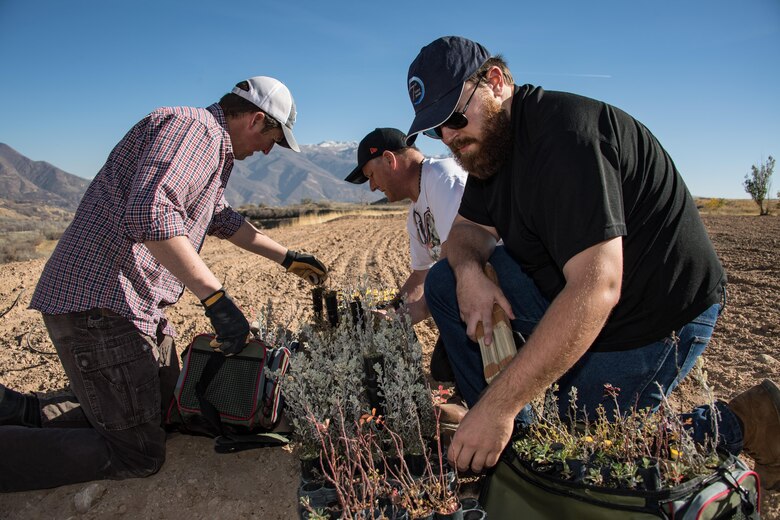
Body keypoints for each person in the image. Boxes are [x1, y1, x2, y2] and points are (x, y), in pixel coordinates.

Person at [403, 35, 780, 490]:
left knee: (574, 452)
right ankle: (508, 445)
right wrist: (468, 273)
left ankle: (747, 420)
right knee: (445, 281)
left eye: (455, 118)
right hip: (575, 295)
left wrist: (497, 407)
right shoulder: (489, 148)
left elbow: (598, 288)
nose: (448, 138)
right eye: (434, 130)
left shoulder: (564, 136)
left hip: (653, 318)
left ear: (496, 82)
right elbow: (466, 232)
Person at [0, 76, 327, 492]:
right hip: (101, 307)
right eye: (273, 140)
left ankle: (20, 411)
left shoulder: (206, 145)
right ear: (256, 120)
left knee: (166, 404)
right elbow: (151, 214)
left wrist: (287, 257)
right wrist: (216, 300)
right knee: (138, 449)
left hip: (125, 306)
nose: (268, 150)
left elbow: (221, 219)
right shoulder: (197, 130)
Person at [344, 128, 468, 383]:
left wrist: (418, 310)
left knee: (453, 372)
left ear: (390, 160)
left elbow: (455, 261)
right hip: (463, 299)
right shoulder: (415, 213)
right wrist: (392, 311)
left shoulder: (442, 178)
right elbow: (421, 274)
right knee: (443, 371)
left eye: (371, 175)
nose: (372, 186)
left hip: (490, 292)